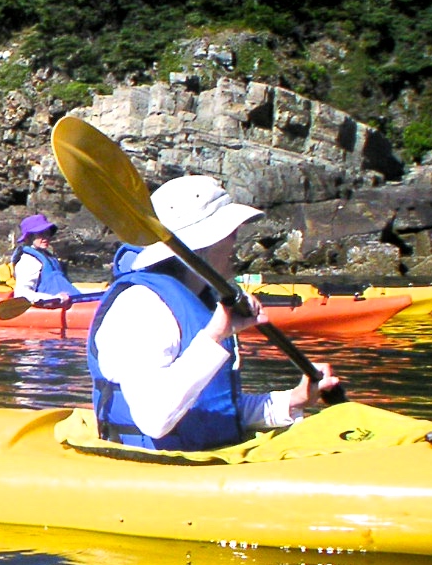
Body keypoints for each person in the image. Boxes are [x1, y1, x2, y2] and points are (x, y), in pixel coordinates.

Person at [87, 175, 340, 451]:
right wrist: (214, 337)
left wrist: (291, 400)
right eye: (230, 232)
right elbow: (154, 418)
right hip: (153, 470)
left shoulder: (204, 301)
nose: (236, 240)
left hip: (200, 461)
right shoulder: (142, 307)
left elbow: (214, 410)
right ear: (203, 244)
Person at [11, 213, 80, 308]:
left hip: (70, 301)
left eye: (47, 233)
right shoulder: (28, 261)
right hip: (53, 304)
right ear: (28, 238)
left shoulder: (48, 256)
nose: (45, 237)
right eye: (40, 234)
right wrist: (53, 298)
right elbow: (22, 294)